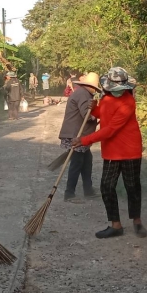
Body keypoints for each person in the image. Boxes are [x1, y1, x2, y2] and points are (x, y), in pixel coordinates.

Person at [79, 67, 146, 239]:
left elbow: (110, 129)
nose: (118, 92)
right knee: (107, 186)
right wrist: (94, 109)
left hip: (130, 150)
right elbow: (104, 114)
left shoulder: (129, 102)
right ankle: (116, 225)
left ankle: (137, 221)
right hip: (111, 151)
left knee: (132, 187)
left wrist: (84, 140)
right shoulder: (106, 99)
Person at [60, 72, 101, 203]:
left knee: (87, 161)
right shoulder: (84, 94)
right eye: (94, 87)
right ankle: (69, 193)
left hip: (78, 134)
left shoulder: (82, 92)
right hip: (76, 135)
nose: (95, 90)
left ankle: (88, 190)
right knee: (77, 164)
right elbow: (87, 115)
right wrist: (100, 116)